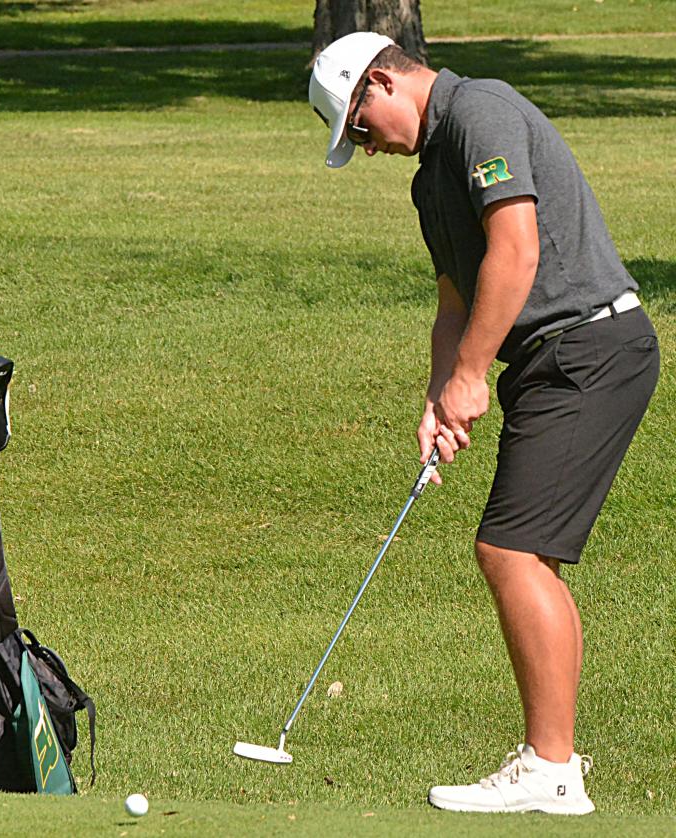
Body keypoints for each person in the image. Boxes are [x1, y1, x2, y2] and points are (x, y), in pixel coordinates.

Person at [309, 32, 659, 815]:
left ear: (379, 83)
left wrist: (474, 376)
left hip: (590, 346)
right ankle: (555, 763)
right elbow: (454, 301)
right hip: (552, 359)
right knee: (528, 557)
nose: (367, 150)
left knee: (509, 550)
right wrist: (441, 395)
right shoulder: (431, 174)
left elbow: (517, 250)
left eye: (359, 129)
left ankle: (550, 770)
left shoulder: (482, 113)